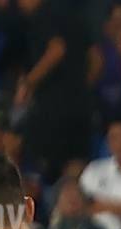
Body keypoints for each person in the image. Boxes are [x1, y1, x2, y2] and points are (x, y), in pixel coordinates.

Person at [13, 0, 91, 179]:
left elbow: (57, 50)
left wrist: (28, 83)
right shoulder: (73, 15)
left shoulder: (43, 15)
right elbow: (96, 58)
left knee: (41, 165)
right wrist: (80, 87)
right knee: (74, 166)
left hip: (53, 107)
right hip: (81, 105)